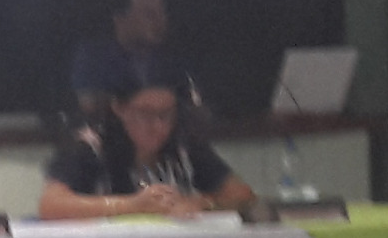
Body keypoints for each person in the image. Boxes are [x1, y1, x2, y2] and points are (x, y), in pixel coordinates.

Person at [39, 82, 259, 220]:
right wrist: (131, 205)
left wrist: (199, 203)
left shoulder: (183, 144)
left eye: (166, 114)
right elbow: (51, 205)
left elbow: (243, 195)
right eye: (145, 114)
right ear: (120, 108)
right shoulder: (91, 146)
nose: (158, 126)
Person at [69, 0, 198, 115]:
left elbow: (190, 107)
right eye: (150, 14)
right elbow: (91, 109)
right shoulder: (94, 58)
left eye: (163, 13)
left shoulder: (170, 61)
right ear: (120, 19)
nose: (161, 21)